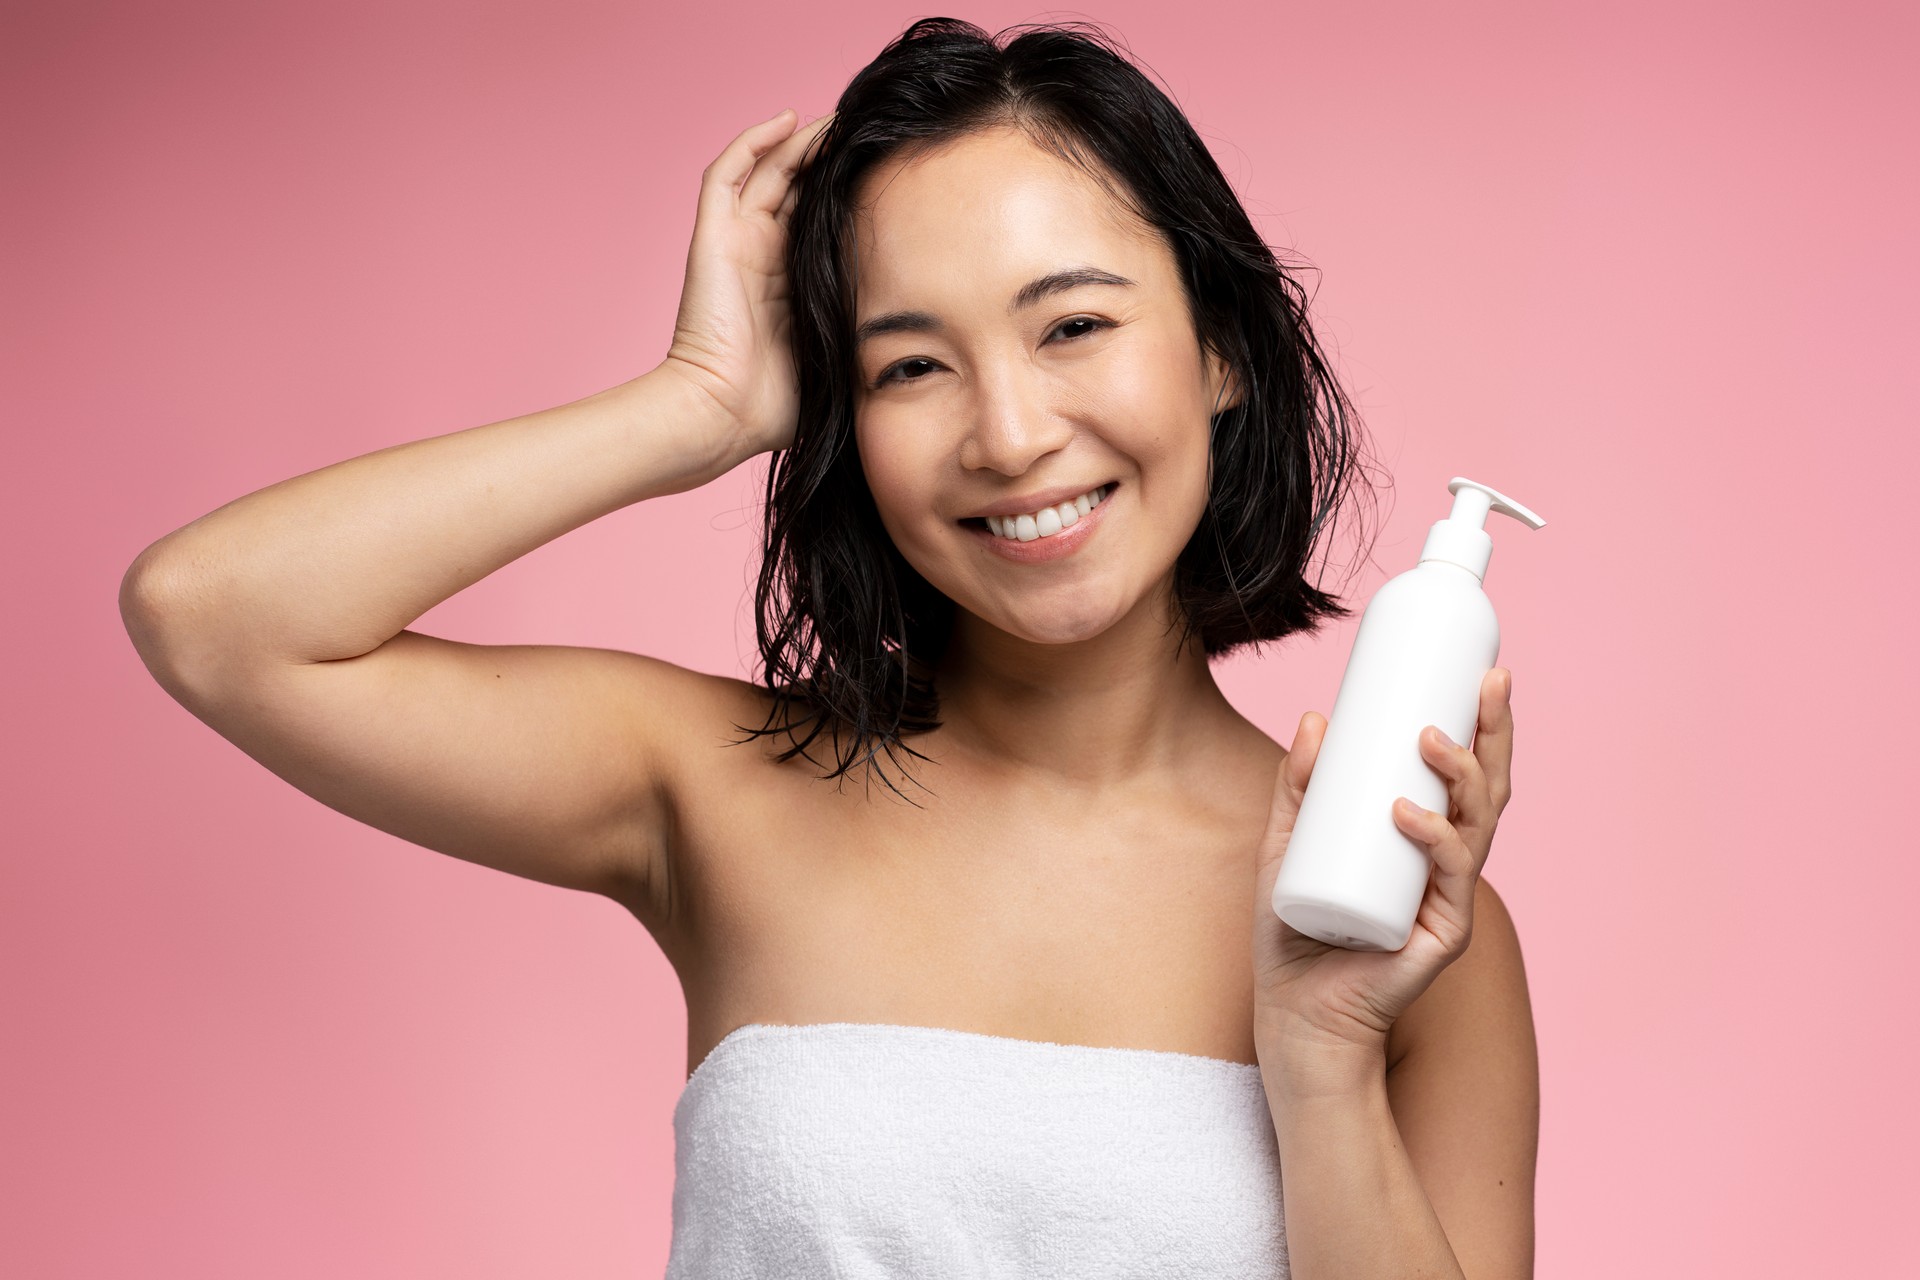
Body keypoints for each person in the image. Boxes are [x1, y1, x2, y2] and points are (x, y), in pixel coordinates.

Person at [119, 16, 1538, 1279]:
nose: (1008, 434)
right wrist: (694, 406)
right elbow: (219, 618)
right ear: (840, 419)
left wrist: (1325, 1061)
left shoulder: (1398, 921)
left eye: (1075, 325)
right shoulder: (717, 790)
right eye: (910, 363)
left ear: (1220, 350)